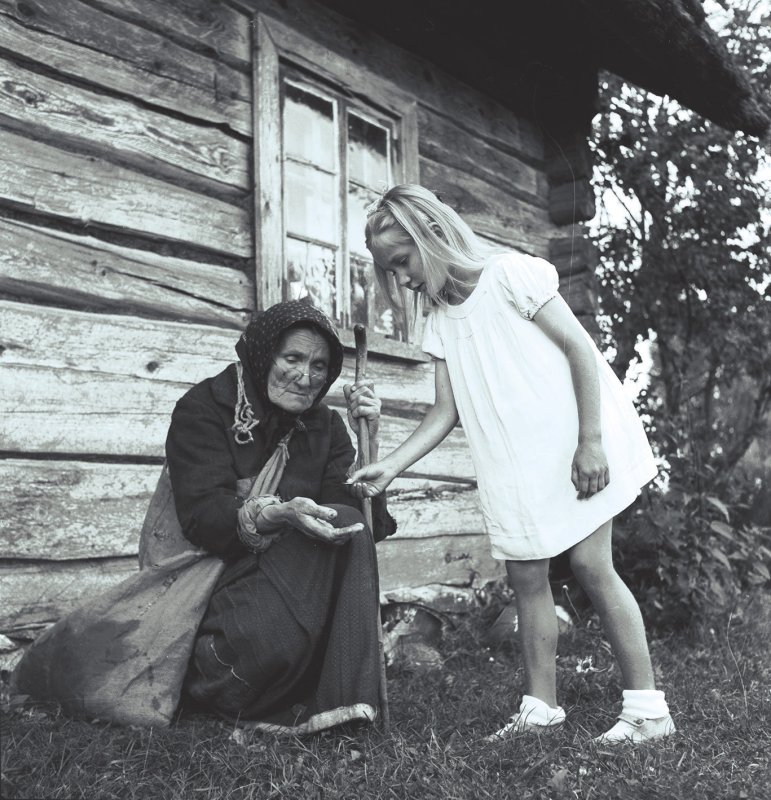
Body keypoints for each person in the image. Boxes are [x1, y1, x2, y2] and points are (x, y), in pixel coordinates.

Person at [347, 184, 675, 744]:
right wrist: (392, 465)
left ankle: (649, 711)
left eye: (402, 262)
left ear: (432, 235)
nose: (401, 279)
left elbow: (579, 349)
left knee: (593, 565)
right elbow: (446, 409)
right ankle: (540, 707)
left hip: (573, 445)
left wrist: (590, 441)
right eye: (390, 271)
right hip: (514, 461)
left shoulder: (510, 276)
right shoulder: (441, 318)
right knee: (526, 576)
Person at [165, 299, 395, 733]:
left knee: (347, 520)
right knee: (265, 632)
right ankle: (241, 689)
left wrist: (370, 444)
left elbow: (362, 524)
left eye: (319, 366)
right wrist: (277, 514)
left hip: (290, 598)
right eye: (292, 358)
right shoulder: (205, 408)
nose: (305, 377)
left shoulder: (324, 426)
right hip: (217, 616)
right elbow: (203, 516)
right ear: (263, 353)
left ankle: (339, 698)